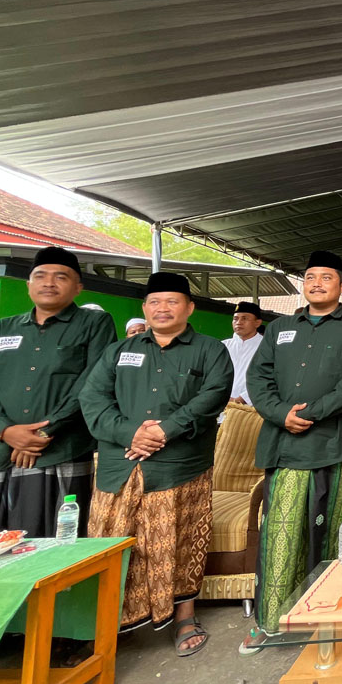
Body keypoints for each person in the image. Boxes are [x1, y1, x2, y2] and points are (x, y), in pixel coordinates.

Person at [80, 272, 233, 656]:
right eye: (154, 302)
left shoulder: (210, 350)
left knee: (180, 541)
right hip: (120, 464)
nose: (162, 309)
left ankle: (184, 617)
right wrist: (130, 432)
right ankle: (105, 623)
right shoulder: (118, 351)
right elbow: (93, 398)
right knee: (109, 543)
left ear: (189, 307)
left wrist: (164, 430)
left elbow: (212, 396)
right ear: (145, 308)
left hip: (179, 466)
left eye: (172, 301)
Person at [243, 251, 342, 649]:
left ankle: (334, 618)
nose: (317, 283)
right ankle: (272, 621)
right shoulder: (279, 328)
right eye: (310, 277)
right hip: (285, 444)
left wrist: (312, 412)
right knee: (281, 533)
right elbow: (258, 377)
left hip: (336, 444)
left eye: (326, 277)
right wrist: (280, 413)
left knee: (339, 534)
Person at [0, 246, 117, 539]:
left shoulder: (94, 324)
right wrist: (6, 431)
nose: (49, 283)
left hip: (61, 451)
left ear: (78, 287)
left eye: (61, 277)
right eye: (40, 276)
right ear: (28, 284)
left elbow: (93, 384)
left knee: (58, 543)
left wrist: (43, 432)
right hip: (2, 453)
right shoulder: (1, 329)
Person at [223, 301, 264, 406]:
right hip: (220, 405)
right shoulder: (223, 346)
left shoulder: (266, 347)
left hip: (250, 408)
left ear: (257, 323)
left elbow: (268, 378)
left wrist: (242, 399)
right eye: (235, 319)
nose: (239, 322)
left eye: (244, 318)